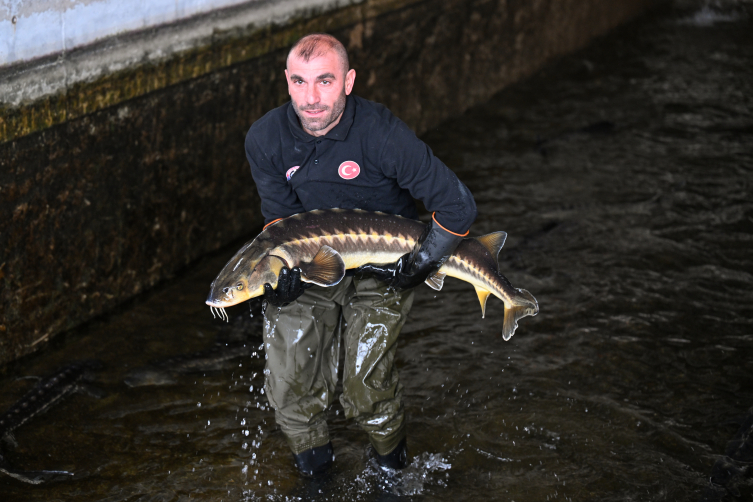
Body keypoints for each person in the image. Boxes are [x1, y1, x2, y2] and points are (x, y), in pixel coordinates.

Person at [244, 33, 477, 476]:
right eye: (299, 82)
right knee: (290, 383)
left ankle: (392, 471)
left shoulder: (382, 134)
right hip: (311, 259)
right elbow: (278, 220)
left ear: (349, 82)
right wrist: (281, 279)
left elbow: (458, 206)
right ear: (287, 82)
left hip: (383, 265)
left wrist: (422, 262)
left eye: (325, 82)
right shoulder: (265, 137)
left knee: (364, 383)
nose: (311, 99)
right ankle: (317, 480)